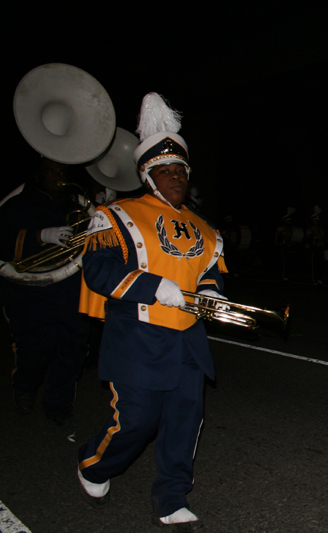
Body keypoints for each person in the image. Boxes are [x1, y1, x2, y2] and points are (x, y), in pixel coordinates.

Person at [76, 93, 226, 531]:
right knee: (137, 421)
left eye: (180, 169)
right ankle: (93, 464)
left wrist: (209, 293)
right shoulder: (116, 215)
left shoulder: (205, 227)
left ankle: (172, 496)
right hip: (138, 337)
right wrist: (154, 286)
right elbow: (98, 269)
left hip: (187, 340)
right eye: (166, 170)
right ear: (148, 176)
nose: (176, 176)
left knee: (185, 422)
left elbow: (212, 270)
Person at [0, 157, 91, 425]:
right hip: (29, 291)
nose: (58, 177)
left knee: (72, 347)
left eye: (61, 171)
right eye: (50, 172)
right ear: (37, 176)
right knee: (36, 347)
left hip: (70, 286)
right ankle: (25, 386)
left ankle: (58, 402)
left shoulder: (74, 204)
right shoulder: (16, 205)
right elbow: (2, 242)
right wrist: (40, 236)